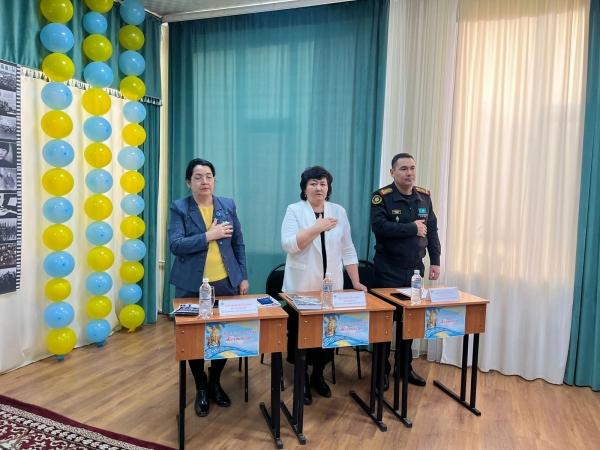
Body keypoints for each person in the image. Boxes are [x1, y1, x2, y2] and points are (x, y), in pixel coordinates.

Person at [168, 158, 249, 417]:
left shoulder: (227, 205)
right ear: (188, 182)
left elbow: (238, 243)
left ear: (214, 180)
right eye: (198, 177)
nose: (205, 181)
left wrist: (242, 276)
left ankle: (215, 381)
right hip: (191, 285)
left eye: (209, 176)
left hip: (225, 282)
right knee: (193, 337)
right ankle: (201, 386)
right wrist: (208, 236)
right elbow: (175, 245)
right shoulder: (180, 208)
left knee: (222, 334)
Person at [281, 166, 367, 405]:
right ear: (304, 188)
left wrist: (355, 281)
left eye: (323, 183)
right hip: (302, 286)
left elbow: (347, 248)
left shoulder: (338, 211)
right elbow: (289, 245)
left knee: (328, 331)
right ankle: (301, 376)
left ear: (328, 188)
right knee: (302, 332)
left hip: (332, 285)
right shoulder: (294, 210)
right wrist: (317, 227)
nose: (318, 188)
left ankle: (318, 374)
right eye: (313, 183)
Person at [371, 153, 441, 390]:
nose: (409, 173)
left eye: (412, 168)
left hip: (414, 272)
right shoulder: (382, 197)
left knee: (409, 322)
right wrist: (411, 228)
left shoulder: (424, 197)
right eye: (403, 169)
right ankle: (381, 371)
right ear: (393, 172)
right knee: (384, 323)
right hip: (387, 271)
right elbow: (380, 227)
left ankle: (404, 367)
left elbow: (432, 231)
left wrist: (435, 260)